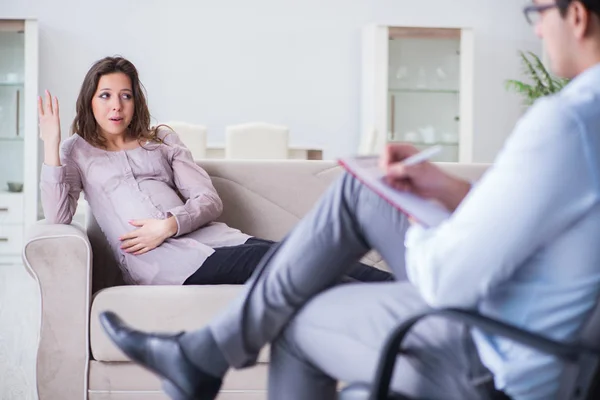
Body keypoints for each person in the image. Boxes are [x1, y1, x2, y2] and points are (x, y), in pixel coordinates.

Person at [99, 1, 600, 399]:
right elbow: (545, 223)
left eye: (538, 12)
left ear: (575, 15)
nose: (536, 29)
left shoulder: (568, 122)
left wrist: (424, 222)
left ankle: (202, 355)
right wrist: (448, 191)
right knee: (361, 188)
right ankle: (202, 354)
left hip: (499, 351)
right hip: (554, 342)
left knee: (294, 318)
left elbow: (449, 279)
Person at [38, 56, 392, 286]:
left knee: (305, 253)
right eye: (105, 95)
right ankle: (401, 290)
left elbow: (207, 199)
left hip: (218, 242)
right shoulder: (75, 151)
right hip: (166, 265)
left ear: (136, 101)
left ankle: (399, 293)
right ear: (90, 100)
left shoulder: (161, 139)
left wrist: (169, 224)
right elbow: (57, 214)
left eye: (125, 96)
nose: (116, 106)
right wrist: (51, 144)